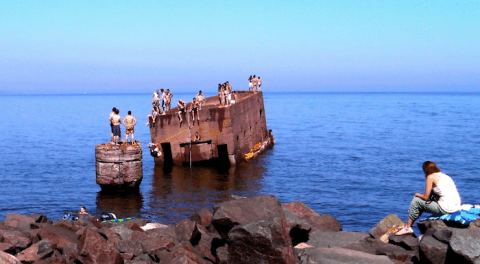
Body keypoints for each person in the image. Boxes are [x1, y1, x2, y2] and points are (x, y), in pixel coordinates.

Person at [395, 161, 461, 235]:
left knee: (416, 201)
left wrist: (417, 194)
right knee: (421, 203)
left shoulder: (430, 177)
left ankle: (408, 228)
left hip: (446, 208)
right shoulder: (444, 176)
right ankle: (408, 225)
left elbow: (426, 197)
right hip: (456, 207)